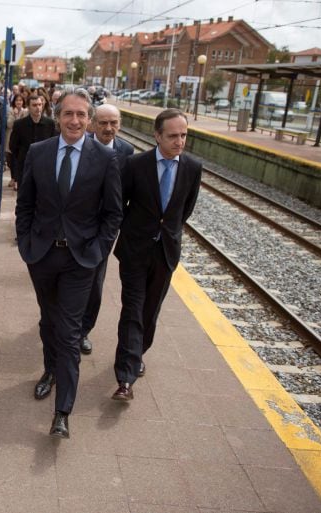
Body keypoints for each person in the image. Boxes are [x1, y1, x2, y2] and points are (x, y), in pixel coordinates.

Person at [15, 89, 122, 439]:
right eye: (68, 114)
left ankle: (63, 411)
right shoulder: (39, 152)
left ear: (89, 120)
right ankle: (49, 371)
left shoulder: (104, 159)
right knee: (48, 320)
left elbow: (113, 213)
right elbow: (25, 204)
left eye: (81, 115)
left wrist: (99, 251)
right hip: (43, 255)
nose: (75, 121)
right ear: (58, 117)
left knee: (70, 330)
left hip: (81, 259)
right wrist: (27, 244)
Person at [112, 108, 202, 401]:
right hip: (135, 251)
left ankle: (137, 353)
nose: (179, 141)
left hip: (165, 252)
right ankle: (125, 377)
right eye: (173, 135)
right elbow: (119, 205)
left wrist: (167, 232)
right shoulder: (135, 165)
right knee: (132, 310)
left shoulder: (192, 167)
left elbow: (183, 210)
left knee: (150, 312)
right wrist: (135, 231)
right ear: (157, 136)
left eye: (184, 135)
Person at [80, 103, 134, 355]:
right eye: (103, 123)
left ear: (120, 124)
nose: (108, 128)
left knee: (95, 282)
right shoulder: (81, 145)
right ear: (92, 124)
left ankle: (83, 330)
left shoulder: (127, 151)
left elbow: (128, 192)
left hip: (105, 229)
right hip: (77, 224)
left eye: (113, 123)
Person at [9, 94, 57, 190]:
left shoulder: (50, 124)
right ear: (28, 107)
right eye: (34, 105)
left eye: (39, 104)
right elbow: (13, 146)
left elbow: (54, 144)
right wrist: (22, 156)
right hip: (24, 167)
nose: (38, 108)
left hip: (44, 167)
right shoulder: (19, 124)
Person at [5, 94, 28, 190]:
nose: (19, 102)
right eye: (17, 100)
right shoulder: (10, 110)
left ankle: (17, 180)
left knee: (18, 160)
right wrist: (15, 115)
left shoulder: (26, 111)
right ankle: (13, 178)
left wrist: (19, 116)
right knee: (10, 160)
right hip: (11, 138)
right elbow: (9, 124)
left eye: (21, 100)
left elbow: (23, 124)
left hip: (21, 139)